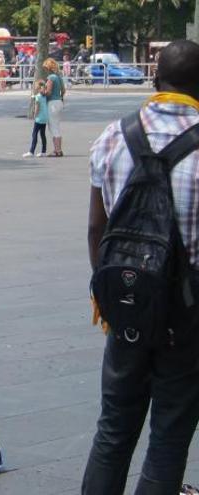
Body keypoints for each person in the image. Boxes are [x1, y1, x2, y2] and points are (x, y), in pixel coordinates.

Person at [83, 40, 199, 494]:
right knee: (169, 436)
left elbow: (97, 229)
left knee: (113, 428)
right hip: (188, 314)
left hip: (127, 304)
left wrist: (109, 301)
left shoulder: (113, 135)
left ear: (155, 79)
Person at [43, 58, 65, 156]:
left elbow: (48, 92)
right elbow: (63, 90)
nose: (44, 70)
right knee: (56, 126)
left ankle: (57, 150)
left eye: (45, 68)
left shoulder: (51, 77)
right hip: (59, 102)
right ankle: (58, 149)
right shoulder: (58, 77)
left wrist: (41, 92)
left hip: (52, 103)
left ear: (48, 68)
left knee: (53, 127)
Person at [23, 80, 48, 158]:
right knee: (43, 134)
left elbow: (37, 107)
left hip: (39, 118)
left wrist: (35, 115)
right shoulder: (45, 96)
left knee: (34, 134)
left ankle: (31, 151)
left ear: (38, 88)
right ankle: (43, 151)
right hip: (45, 117)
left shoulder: (38, 97)